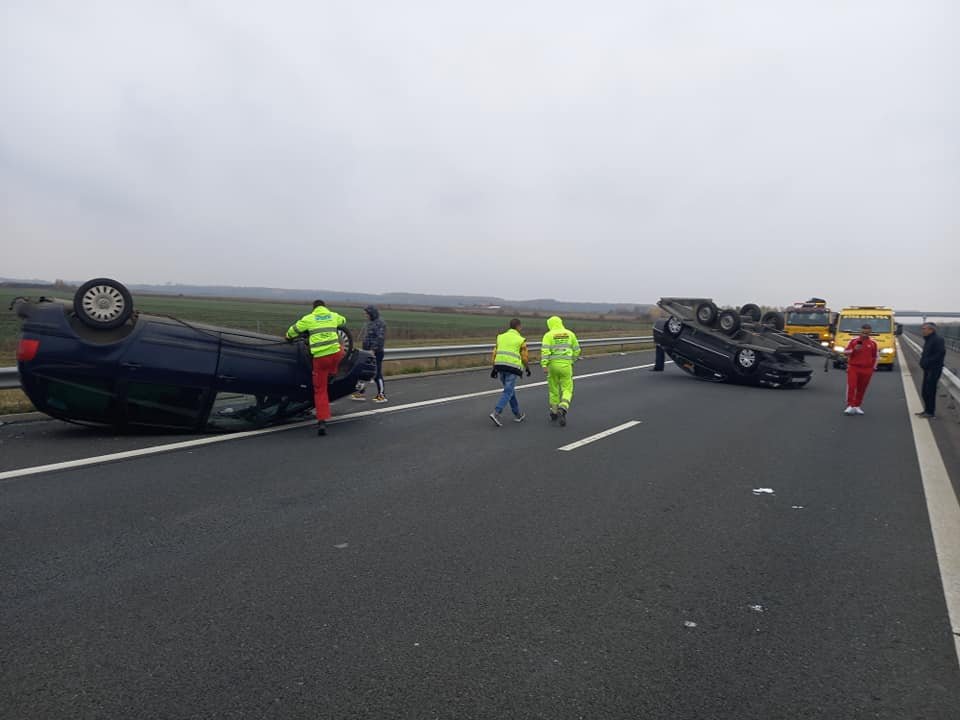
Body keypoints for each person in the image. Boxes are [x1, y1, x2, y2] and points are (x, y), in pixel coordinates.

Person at [286, 300, 347, 436]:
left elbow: (292, 331)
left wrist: (288, 337)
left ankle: (322, 421)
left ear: (313, 309)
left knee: (320, 390)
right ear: (324, 307)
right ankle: (333, 373)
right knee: (340, 350)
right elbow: (343, 321)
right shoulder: (332, 315)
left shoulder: (309, 319)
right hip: (336, 355)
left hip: (320, 359)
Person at [488, 318, 531, 426]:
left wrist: (494, 368)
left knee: (509, 391)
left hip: (500, 366)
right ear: (518, 326)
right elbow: (524, 357)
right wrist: (527, 368)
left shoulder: (500, 337)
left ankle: (517, 414)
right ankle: (496, 413)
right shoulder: (520, 340)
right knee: (508, 391)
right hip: (512, 368)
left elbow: (495, 353)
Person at [541, 315, 581, 426]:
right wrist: (571, 360)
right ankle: (563, 407)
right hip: (566, 366)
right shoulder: (570, 334)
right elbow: (577, 350)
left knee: (553, 389)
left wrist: (544, 365)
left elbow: (545, 351)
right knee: (567, 389)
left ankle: (554, 412)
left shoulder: (548, 335)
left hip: (552, 367)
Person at [351, 305, 388, 403]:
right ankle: (360, 393)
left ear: (372, 313)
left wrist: (373, 350)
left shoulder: (380, 323)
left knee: (377, 373)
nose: (365, 315)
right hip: (366, 351)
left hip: (376, 352)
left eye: (367, 313)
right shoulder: (369, 323)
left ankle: (381, 395)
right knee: (363, 372)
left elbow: (380, 338)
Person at [843, 323, 878, 416]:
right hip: (854, 367)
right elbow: (845, 352)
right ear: (860, 331)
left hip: (867, 369)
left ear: (870, 332)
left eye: (867, 333)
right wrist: (854, 349)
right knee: (852, 386)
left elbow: (875, 356)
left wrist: (873, 368)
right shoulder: (854, 341)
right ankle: (850, 405)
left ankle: (857, 406)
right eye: (863, 332)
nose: (864, 335)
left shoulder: (873, 343)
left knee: (862, 388)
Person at [916, 322, 946, 419]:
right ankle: (926, 410)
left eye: (924, 328)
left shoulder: (938, 340)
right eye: (922, 328)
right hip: (928, 369)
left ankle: (930, 412)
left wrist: (928, 362)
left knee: (930, 391)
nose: (922, 330)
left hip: (934, 369)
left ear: (931, 330)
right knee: (925, 391)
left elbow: (940, 354)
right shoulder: (928, 339)